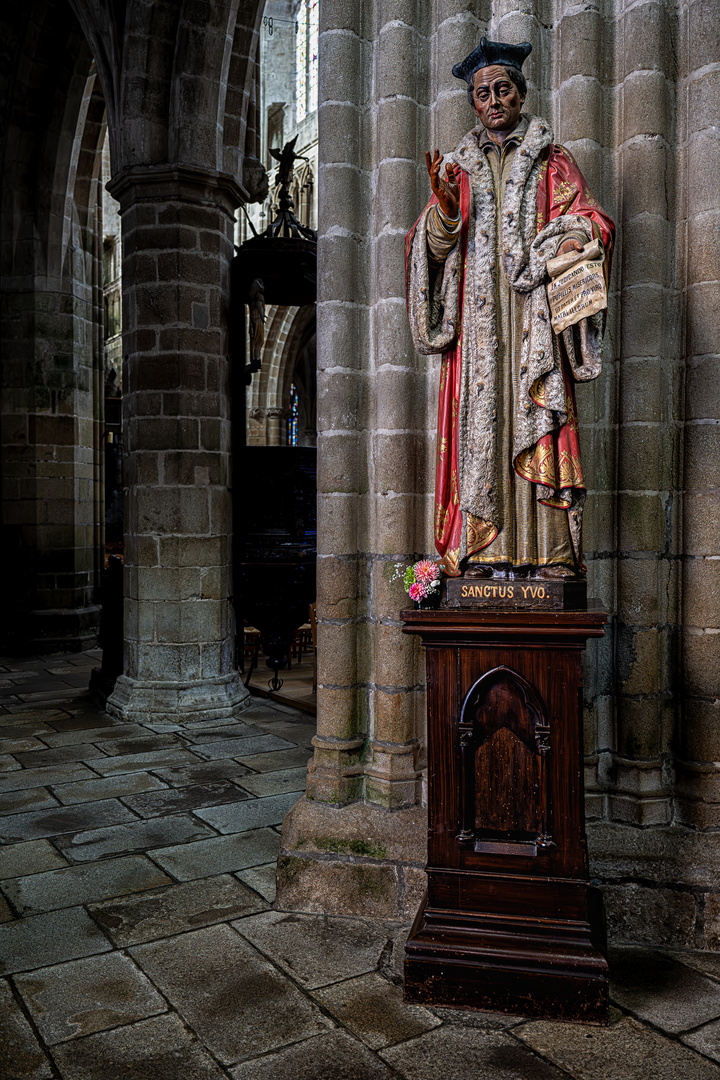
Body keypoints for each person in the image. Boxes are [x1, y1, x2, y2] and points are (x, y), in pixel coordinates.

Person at [406, 37, 614, 578]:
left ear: (520, 96)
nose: (494, 99)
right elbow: (426, 247)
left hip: (533, 322)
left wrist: (575, 237)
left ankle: (552, 552)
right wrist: (445, 216)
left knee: (538, 417)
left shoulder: (552, 160)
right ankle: (476, 551)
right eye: (483, 93)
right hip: (477, 331)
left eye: (503, 89)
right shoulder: (455, 170)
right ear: (473, 103)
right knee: (479, 427)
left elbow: (592, 220)